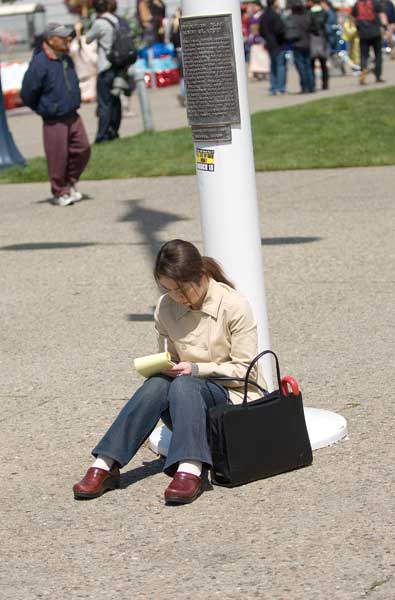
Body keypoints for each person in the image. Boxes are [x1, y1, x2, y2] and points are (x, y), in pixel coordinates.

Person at [73, 239, 266, 505]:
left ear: (200, 275)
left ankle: (191, 469)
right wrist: (165, 366)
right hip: (188, 406)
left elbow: (247, 371)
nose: (178, 297)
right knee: (157, 384)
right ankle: (105, 464)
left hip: (233, 403)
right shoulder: (165, 308)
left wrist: (197, 369)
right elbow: (170, 360)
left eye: (182, 289)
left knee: (185, 384)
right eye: (168, 289)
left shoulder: (234, 305)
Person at [20, 23, 91, 207]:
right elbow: (28, 93)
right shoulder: (40, 63)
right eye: (63, 37)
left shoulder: (66, 58)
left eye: (69, 37)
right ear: (51, 40)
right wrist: (44, 109)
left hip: (72, 113)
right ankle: (59, 191)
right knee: (57, 157)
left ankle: (70, 181)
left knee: (83, 149)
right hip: (53, 118)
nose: (68, 40)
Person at [83, 0, 122, 143]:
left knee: (104, 103)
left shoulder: (99, 23)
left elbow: (87, 39)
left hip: (105, 66)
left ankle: (102, 135)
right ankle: (114, 131)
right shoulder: (116, 19)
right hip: (118, 65)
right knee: (116, 101)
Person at [351, 0, 386, 84]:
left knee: (363, 55)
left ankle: (363, 71)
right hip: (375, 32)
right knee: (378, 54)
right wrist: (385, 27)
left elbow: (353, 18)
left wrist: (357, 28)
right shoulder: (375, 2)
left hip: (363, 34)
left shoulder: (357, 4)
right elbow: (382, 16)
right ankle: (378, 76)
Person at [260, 0, 288, 95]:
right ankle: (281, 87)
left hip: (270, 44)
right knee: (280, 66)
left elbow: (261, 31)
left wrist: (267, 38)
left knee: (273, 66)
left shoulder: (264, 15)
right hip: (278, 43)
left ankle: (273, 87)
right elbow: (279, 30)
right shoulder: (275, 15)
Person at [286, 0, 314, 93]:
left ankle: (305, 86)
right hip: (307, 43)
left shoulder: (291, 18)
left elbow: (288, 33)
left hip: (297, 44)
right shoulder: (306, 17)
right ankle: (311, 86)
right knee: (308, 65)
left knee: (301, 67)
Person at [309, 0, 330, 91]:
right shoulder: (324, 13)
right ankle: (325, 83)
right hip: (322, 38)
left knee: (312, 64)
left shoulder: (309, 13)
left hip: (312, 39)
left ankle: (312, 83)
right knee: (323, 63)